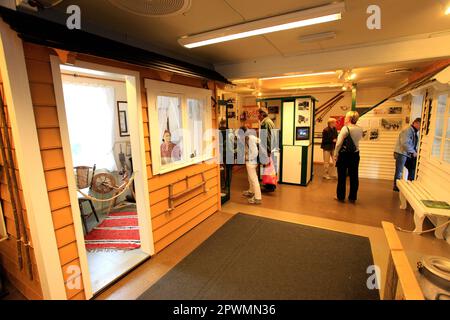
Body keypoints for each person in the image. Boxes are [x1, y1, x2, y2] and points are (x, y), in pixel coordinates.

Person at [334, 111, 363, 203]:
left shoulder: (345, 128)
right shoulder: (359, 129)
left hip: (344, 155)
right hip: (355, 154)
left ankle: (341, 196)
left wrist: (335, 154)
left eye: (346, 117)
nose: (345, 118)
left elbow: (338, 144)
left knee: (342, 176)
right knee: (354, 176)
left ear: (349, 118)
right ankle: (352, 197)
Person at [393, 118, 421, 192]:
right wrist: (413, 152)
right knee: (399, 170)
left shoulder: (414, 132)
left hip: (406, 153)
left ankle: (410, 184)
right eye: (420, 125)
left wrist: (414, 151)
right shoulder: (408, 131)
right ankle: (396, 186)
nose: (420, 127)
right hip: (401, 153)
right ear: (415, 123)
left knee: (412, 168)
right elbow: (404, 143)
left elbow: (412, 143)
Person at [258, 107, 277, 192]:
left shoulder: (266, 123)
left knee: (269, 168)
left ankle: (270, 186)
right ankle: (269, 185)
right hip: (271, 148)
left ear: (262, 114)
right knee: (270, 168)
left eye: (258, 114)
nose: (257, 116)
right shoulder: (269, 121)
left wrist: (268, 151)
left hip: (268, 149)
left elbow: (267, 137)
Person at [241, 127, 262, 205]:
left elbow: (254, 152)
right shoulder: (251, 137)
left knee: (254, 179)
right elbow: (260, 141)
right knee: (250, 178)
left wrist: (247, 158)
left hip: (251, 161)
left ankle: (257, 198)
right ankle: (251, 191)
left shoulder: (249, 139)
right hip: (253, 161)